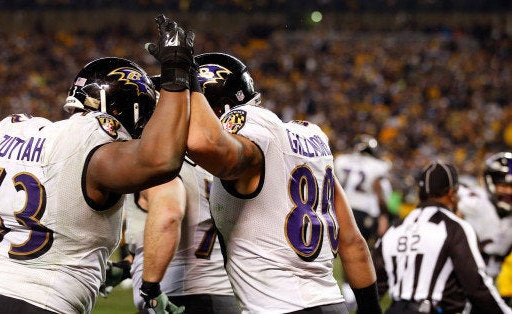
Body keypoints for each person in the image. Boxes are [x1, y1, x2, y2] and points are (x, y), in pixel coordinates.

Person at [0, 15, 195, 314]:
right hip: (45, 304)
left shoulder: (23, 132)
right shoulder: (95, 144)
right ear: (130, 110)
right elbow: (162, 161)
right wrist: (176, 72)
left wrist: (52, 244)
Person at [185, 51, 382, 313]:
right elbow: (352, 241)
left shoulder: (249, 130)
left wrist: (182, 76)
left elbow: (203, 142)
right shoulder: (308, 137)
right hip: (331, 304)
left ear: (220, 109)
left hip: (280, 307)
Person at [373, 160, 511, 313]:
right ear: (452, 193)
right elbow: (476, 286)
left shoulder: (394, 230)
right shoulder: (453, 228)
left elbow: (373, 288)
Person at [115, 157, 238, 314]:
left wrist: (150, 288)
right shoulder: (215, 165)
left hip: (177, 297)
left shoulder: (165, 165)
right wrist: (128, 267)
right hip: (221, 295)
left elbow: (168, 218)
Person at [334, 134, 393, 310]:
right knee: (360, 253)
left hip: (341, 208)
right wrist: (384, 214)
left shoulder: (342, 160)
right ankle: (355, 292)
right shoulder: (377, 166)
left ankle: (345, 289)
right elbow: (379, 193)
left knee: (341, 250)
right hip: (363, 212)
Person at [457, 152, 512, 303]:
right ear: (489, 181)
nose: (509, 191)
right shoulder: (475, 202)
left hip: (490, 284)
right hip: (460, 284)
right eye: (504, 185)